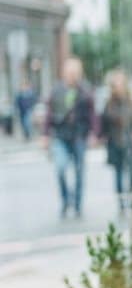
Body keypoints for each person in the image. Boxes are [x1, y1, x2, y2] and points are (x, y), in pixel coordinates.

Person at [45, 57, 95, 218]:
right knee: (60, 168)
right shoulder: (56, 90)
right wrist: (45, 134)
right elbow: (49, 113)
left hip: (79, 136)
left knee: (80, 171)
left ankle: (78, 204)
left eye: (75, 73)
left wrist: (93, 133)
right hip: (61, 136)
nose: (72, 76)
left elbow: (92, 114)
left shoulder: (85, 91)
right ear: (64, 73)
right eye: (69, 72)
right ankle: (66, 200)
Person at [101, 69, 132, 211]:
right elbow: (105, 122)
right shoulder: (109, 104)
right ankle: (121, 202)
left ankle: (131, 196)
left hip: (130, 143)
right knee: (118, 173)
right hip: (115, 142)